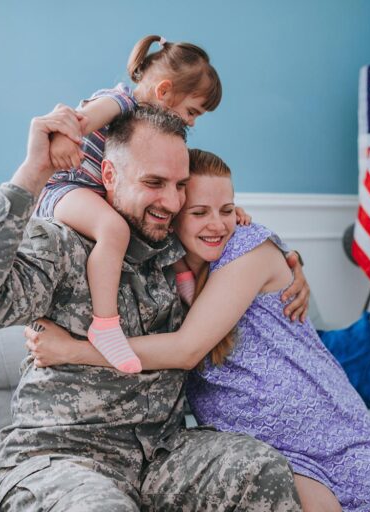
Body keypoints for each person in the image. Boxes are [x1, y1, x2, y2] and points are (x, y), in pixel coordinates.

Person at [0, 105, 310, 511]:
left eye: (180, 185)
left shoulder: (181, 250)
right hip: (63, 458)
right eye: (153, 182)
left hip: (162, 455)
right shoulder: (63, 245)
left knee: (260, 470)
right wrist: (32, 173)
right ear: (109, 176)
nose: (171, 200)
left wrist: (290, 261)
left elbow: (234, 236)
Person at [25, 149, 370, 512]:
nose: (217, 224)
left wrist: (73, 350)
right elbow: (77, 196)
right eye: (200, 212)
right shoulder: (164, 276)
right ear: (173, 213)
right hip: (264, 452)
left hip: (330, 433)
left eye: (227, 209)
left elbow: (185, 350)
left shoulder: (247, 245)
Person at [37, 35, 224, 374]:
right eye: (192, 111)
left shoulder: (154, 133)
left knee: (167, 216)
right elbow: (80, 122)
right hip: (66, 188)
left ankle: (183, 278)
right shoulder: (120, 101)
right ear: (164, 91)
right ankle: (105, 323)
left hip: (93, 191)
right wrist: (65, 140)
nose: (192, 122)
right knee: (113, 228)